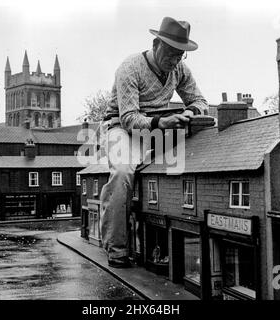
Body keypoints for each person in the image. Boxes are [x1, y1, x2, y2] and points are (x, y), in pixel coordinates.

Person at [100, 16, 209, 268]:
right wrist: (161, 122)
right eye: (170, 53)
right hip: (122, 128)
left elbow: (201, 101)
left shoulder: (179, 69)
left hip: (160, 126)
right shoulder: (130, 67)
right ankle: (117, 249)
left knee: (188, 158)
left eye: (180, 55)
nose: (174, 61)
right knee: (122, 173)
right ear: (156, 44)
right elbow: (128, 118)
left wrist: (190, 112)